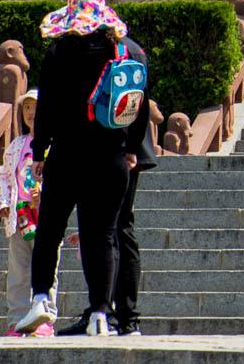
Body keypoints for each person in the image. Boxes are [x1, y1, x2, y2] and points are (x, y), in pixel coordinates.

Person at [18, 0, 151, 338]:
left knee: (50, 230)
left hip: (67, 155)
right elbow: (139, 106)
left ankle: (40, 300)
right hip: (112, 157)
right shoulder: (129, 53)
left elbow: (45, 109)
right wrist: (132, 147)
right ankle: (100, 314)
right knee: (102, 236)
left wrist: (39, 152)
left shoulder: (61, 52)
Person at [110, 53, 157, 336]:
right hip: (128, 149)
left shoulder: (122, 50)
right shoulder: (132, 49)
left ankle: (116, 313)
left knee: (115, 228)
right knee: (117, 228)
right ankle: (116, 313)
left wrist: (130, 147)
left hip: (117, 149)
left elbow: (139, 103)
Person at [0, 89, 45, 335]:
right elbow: (5, 177)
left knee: (46, 268)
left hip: (45, 217)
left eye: (35, 107)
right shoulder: (17, 145)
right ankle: (16, 320)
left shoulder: (55, 144)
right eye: (26, 108)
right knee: (16, 272)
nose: (30, 113)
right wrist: (3, 202)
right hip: (19, 215)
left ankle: (44, 321)